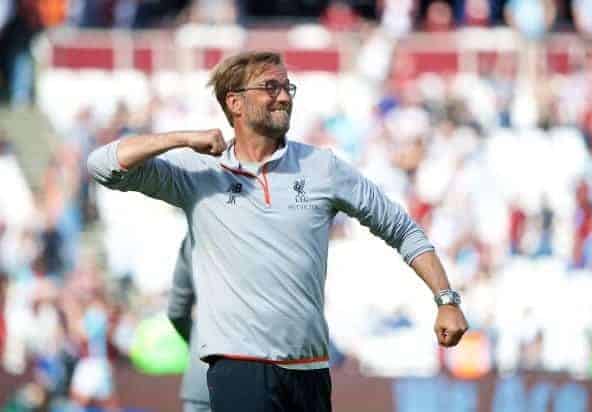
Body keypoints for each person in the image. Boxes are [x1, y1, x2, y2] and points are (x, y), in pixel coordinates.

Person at [87, 50, 468, 412]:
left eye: (288, 87)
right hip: (239, 366)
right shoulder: (199, 172)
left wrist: (446, 299)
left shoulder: (322, 167)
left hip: (310, 370)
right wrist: (181, 138)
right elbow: (103, 165)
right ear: (234, 103)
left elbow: (400, 228)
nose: (284, 96)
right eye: (271, 87)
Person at [167, 235, 211, 412]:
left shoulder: (194, 236)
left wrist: (198, 343)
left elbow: (176, 311)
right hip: (261, 374)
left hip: (200, 377)